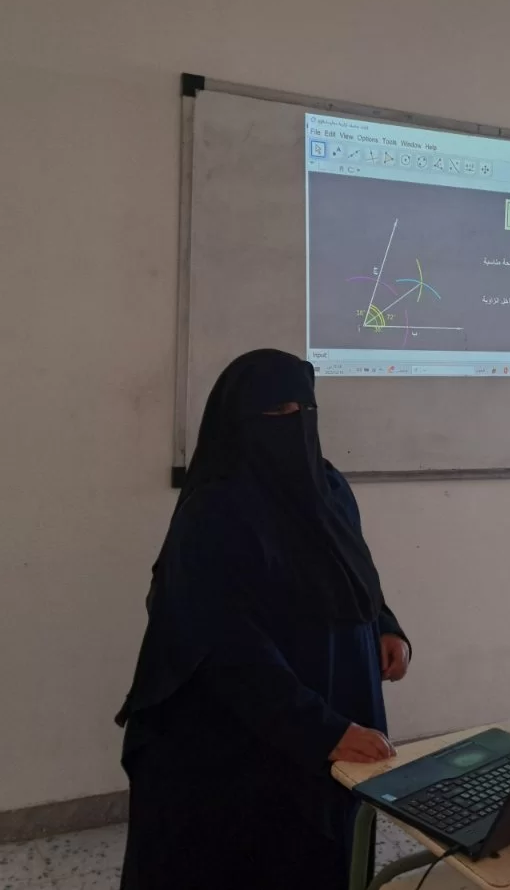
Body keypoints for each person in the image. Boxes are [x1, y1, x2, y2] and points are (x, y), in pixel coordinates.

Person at [115, 349, 412, 889]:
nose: (294, 424)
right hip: (249, 735)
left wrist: (385, 625)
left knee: (329, 850)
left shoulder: (329, 487)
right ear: (237, 422)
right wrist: (320, 729)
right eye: (276, 413)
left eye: (305, 410)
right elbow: (228, 649)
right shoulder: (215, 511)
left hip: (339, 695)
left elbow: (350, 567)